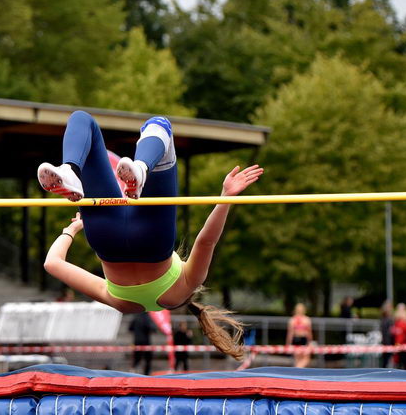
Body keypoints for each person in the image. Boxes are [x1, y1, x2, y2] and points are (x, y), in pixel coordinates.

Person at [39, 111, 263, 360]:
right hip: (106, 238)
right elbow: (52, 263)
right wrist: (71, 230)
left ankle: (138, 168)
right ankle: (73, 171)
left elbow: (206, 241)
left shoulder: (185, 285)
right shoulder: (120, 302)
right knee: (84, 122)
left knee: (159, 125)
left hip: (152, 239)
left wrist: (225, 197)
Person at [286, 303, 313, 368]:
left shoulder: (292, 320)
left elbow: (290, 333)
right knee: (306, 359)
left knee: (297, 359)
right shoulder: (306, 319)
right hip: (303, 339)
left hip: (295, 339)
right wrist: (310, 342)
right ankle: (296, 369)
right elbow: (309, 332)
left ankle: (297, 372)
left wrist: (288, 343)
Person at [379, 301, 394, 368]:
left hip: (388, 341)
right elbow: (388, 331)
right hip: (387, 342)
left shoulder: (386, 319)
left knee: (386, 360)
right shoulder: (386, 319)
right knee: (386, 360)